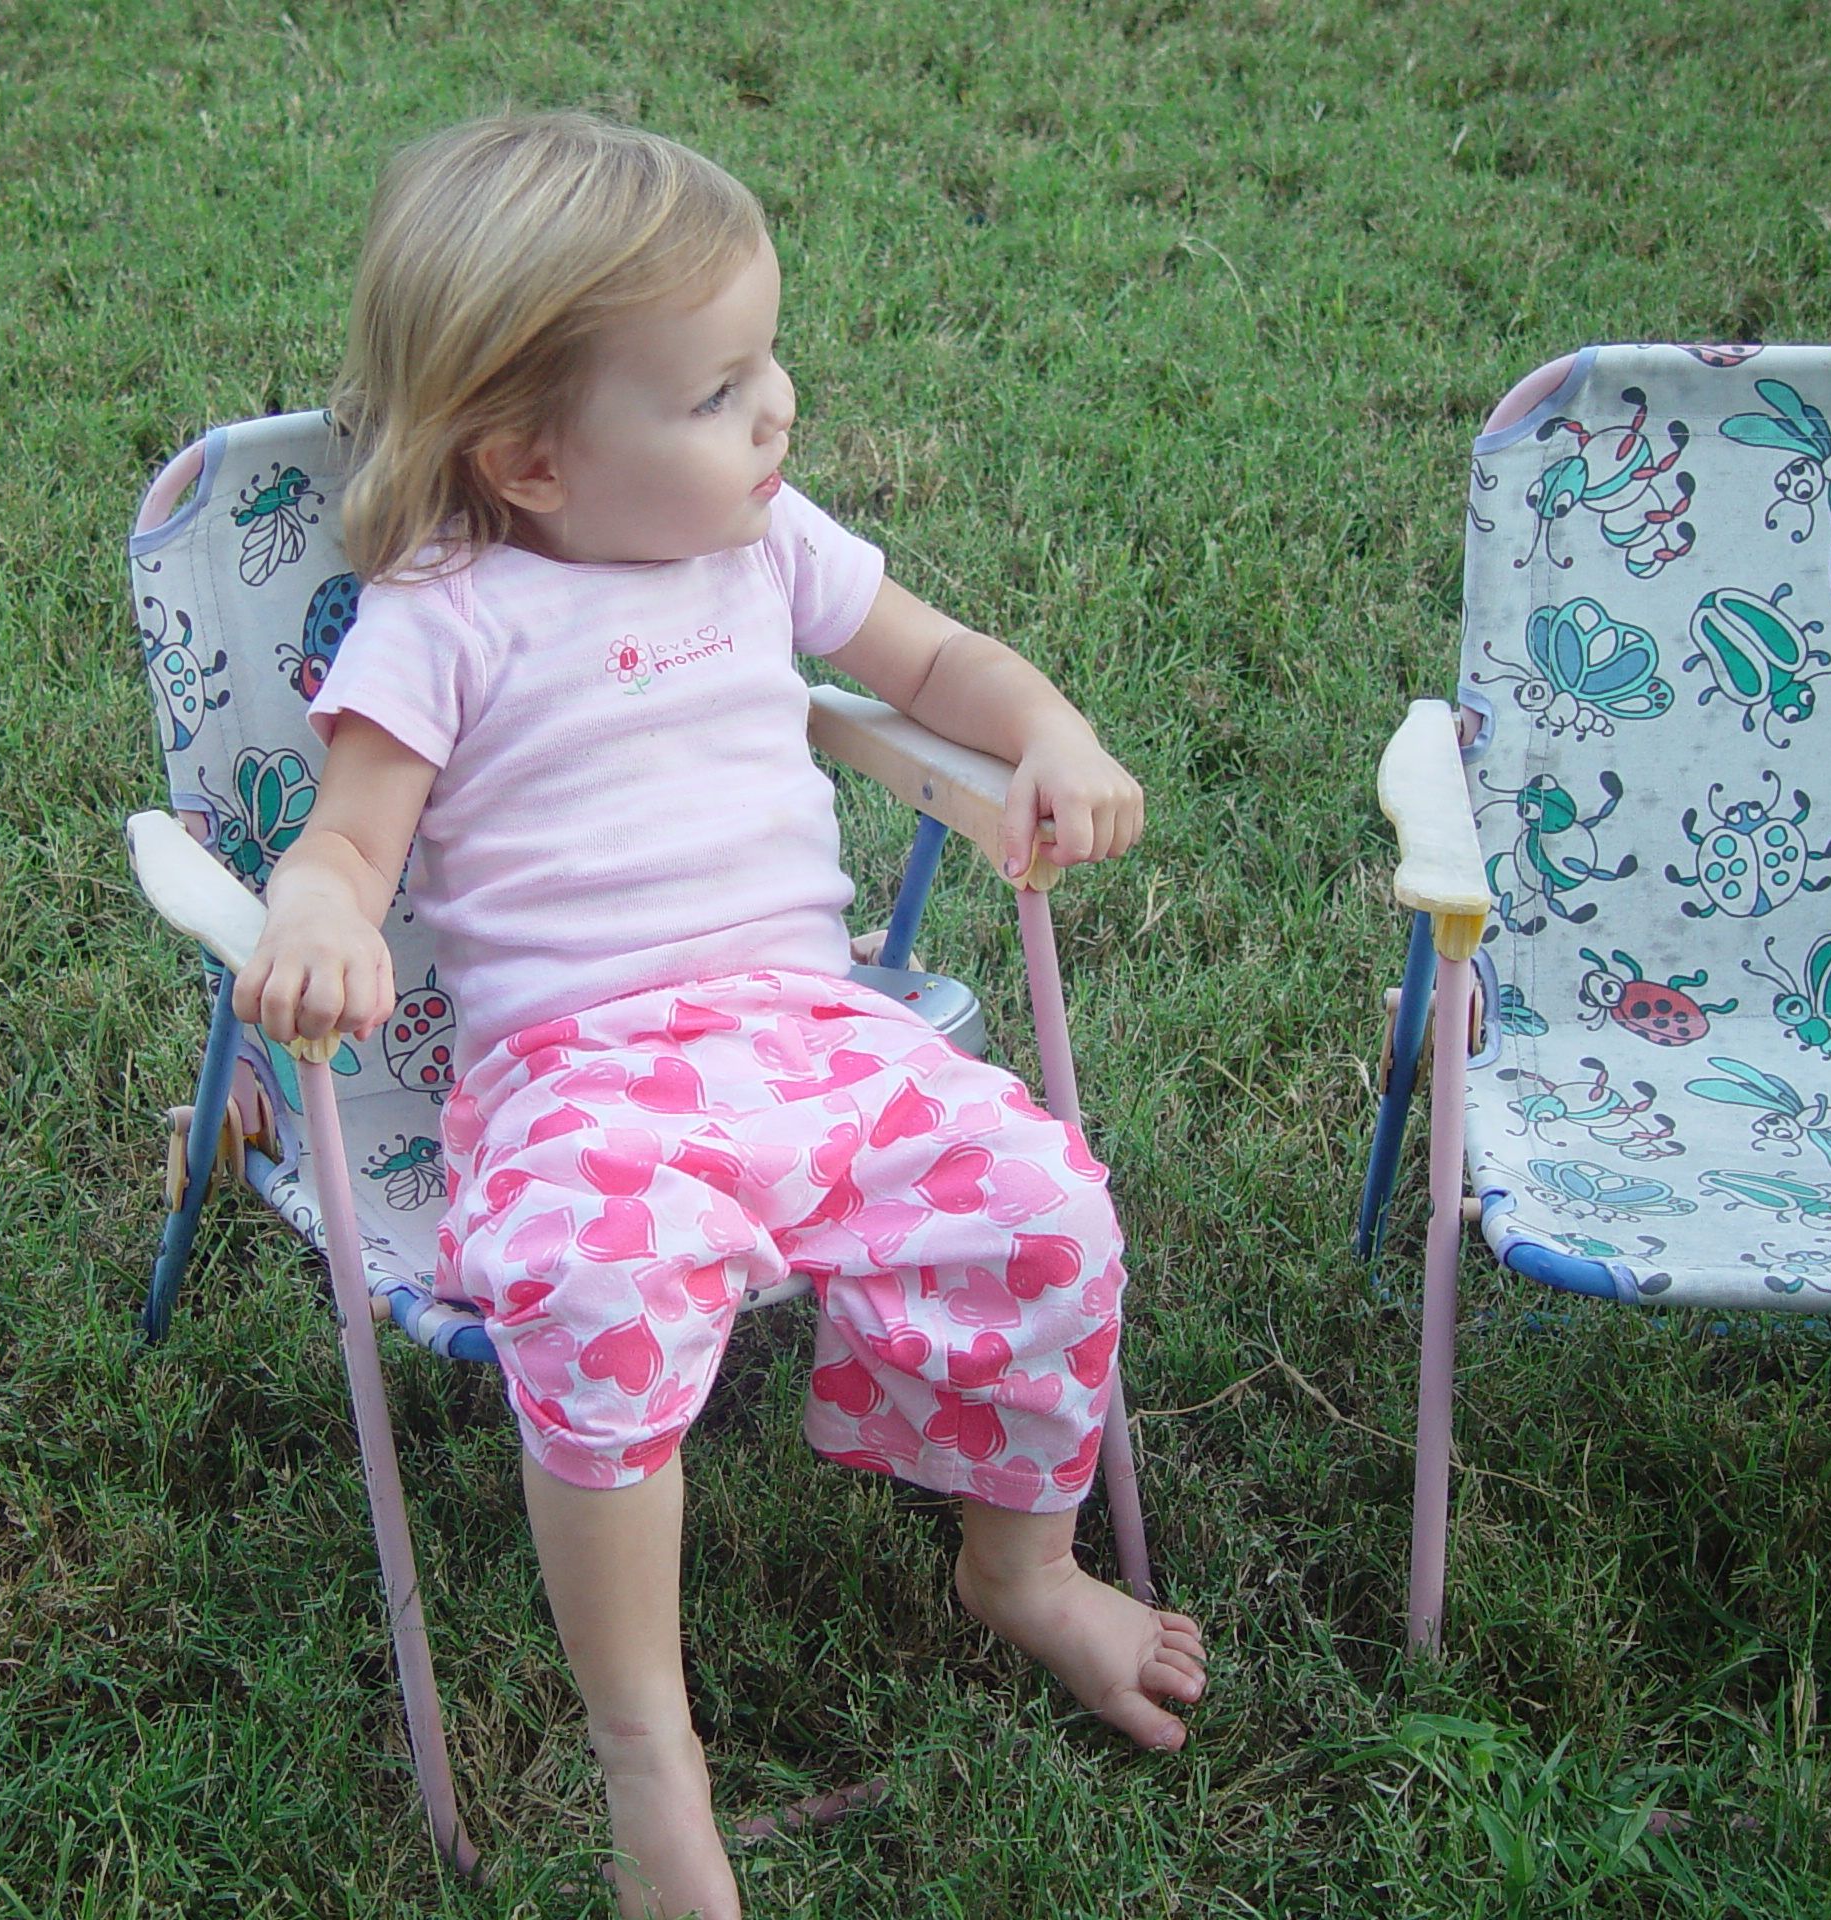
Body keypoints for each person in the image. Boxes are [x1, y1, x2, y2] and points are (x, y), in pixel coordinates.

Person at [232, 111, 1207, 1920]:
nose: (779, 412)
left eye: (767, 363)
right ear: (528, 458)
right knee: (590, 1293)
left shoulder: (768, 549)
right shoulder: (444, 618)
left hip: (817, 1031)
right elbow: (351, 839)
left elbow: (935, 665)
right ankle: (646, 1752)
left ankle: (1025, 1567)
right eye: (718, 391)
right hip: (582, 1077)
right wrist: (314, 912)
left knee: (1044, 1202)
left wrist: (1049, 727)